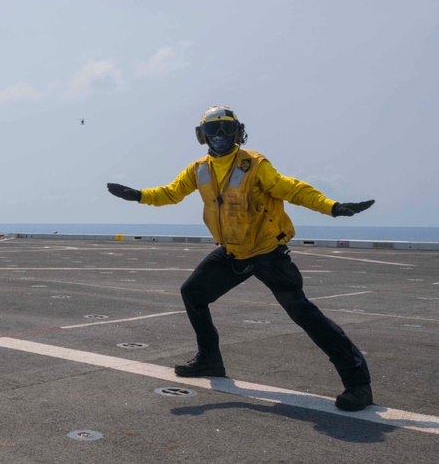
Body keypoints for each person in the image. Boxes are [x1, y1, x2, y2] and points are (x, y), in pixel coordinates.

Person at [106, 106, 376, 411]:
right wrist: (138, 195)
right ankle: (209, 360)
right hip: (233, 251)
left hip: (266, 253)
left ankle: (358, 384)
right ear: (201, 135)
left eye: (226, 129)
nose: (220, 136)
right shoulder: (199, 169)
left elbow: (293, 190)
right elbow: (171, 193)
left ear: (238, 132)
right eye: (213, 130)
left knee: (304, 314)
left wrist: (332, 206)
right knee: (192, 293)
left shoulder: (255, 165)